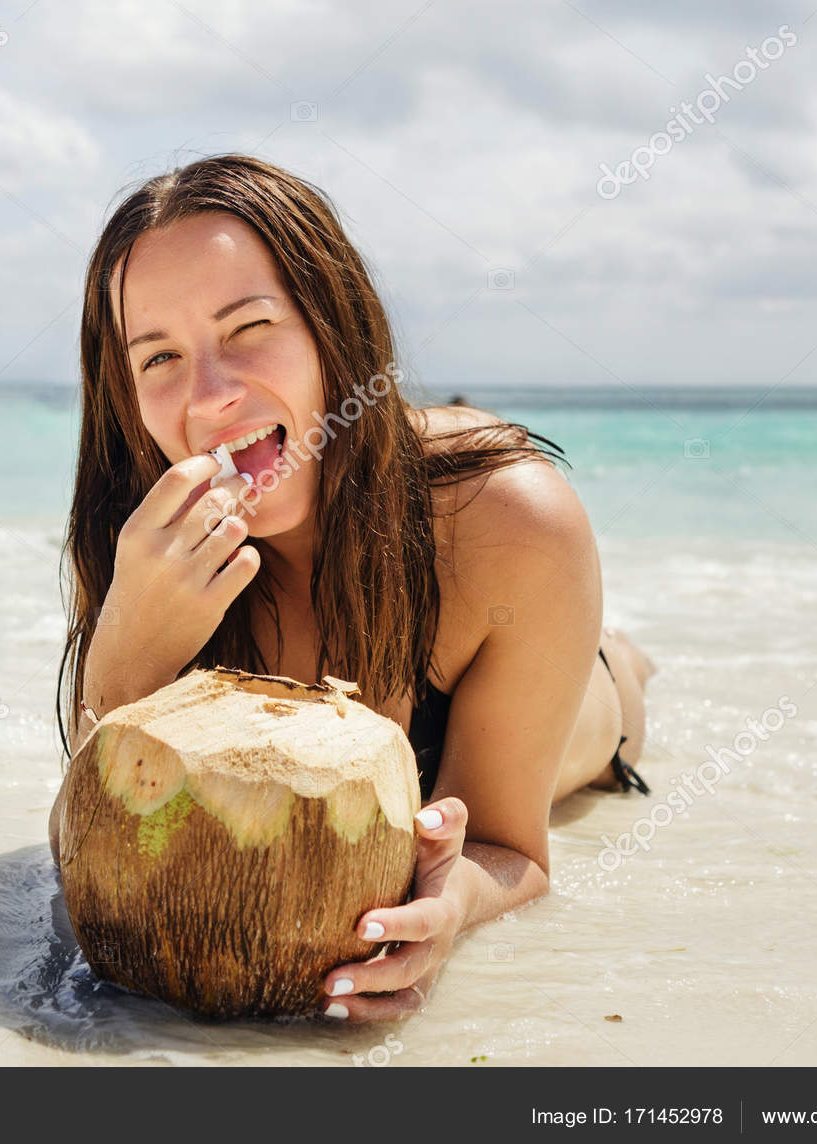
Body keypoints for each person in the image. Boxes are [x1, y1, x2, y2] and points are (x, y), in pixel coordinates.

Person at [49, 154, 657, 1022]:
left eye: (249, 326)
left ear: (333, 325)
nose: (211, 395)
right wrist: (123, 655)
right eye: (160, 357)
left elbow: (509, 846)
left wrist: (451, 909)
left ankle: (627, 657)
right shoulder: (143, 535)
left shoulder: (513, 523)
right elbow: (87, 846)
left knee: (617, 691)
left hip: (578, 709)